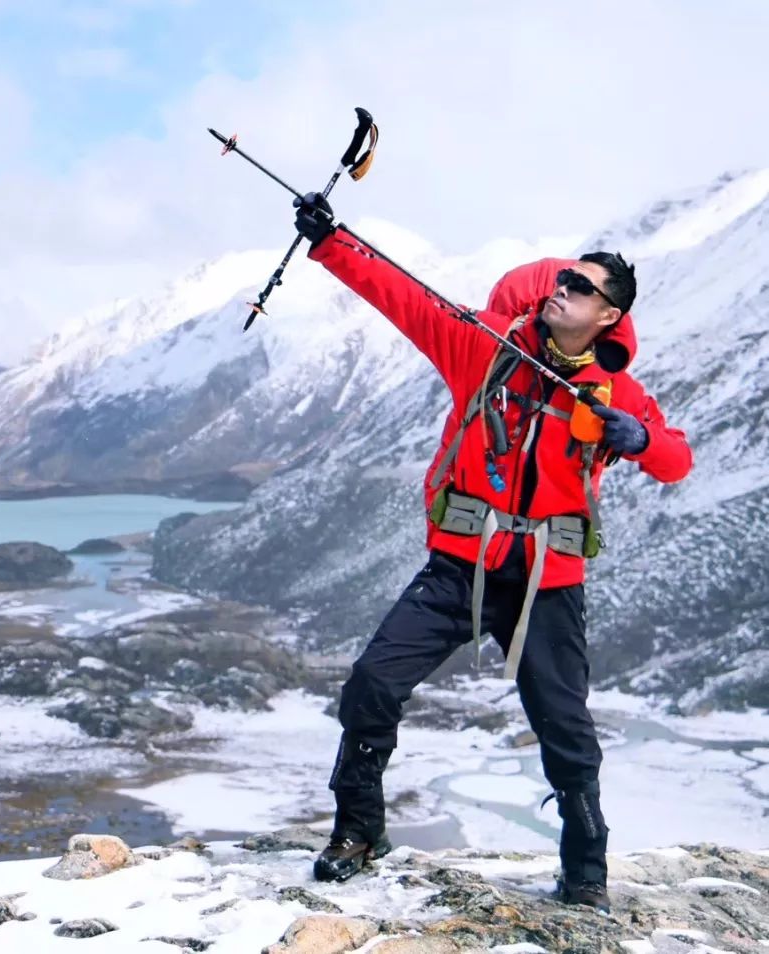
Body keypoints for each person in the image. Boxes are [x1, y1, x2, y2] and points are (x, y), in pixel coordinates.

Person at [292, 193, 693, 911]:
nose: (560, 290)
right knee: (372, 684)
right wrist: (332, 242)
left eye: (580, 288)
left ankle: (585, 867)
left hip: (548, 581)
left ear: (608, 316)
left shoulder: (615, 394)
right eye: (561, 279)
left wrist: (636, 437)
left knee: (565, 726)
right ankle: (357, 830)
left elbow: (675, 460)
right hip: (460, 567)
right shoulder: (485, 347)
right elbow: (406, 298)